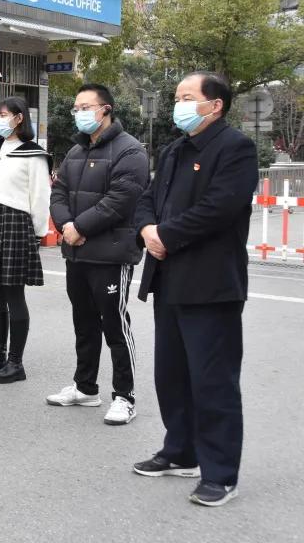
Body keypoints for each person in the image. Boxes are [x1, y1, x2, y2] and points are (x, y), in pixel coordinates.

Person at [131, 71, 257, 507]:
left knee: (213, 380)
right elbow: (147, 197)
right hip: (167, 279)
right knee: (171, 374)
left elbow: (219, 208)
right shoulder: (173, 149)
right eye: (177, 97)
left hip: (210, 284)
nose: (178, 104)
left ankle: (220, 472)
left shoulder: (235, 148)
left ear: (214, 104)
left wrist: (166, 235)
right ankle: (179, 450)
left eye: (187, 97)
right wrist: (148, 228)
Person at [48, 83, 149, 425]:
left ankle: (125, 395)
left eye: (85, 107)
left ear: (106, 109)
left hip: (111, 254)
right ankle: (85, 387)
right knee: (83, 323)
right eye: (76, 107)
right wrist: (65, 225)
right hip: (77, 253)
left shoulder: (130, 151)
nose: (78, 113)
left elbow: (121, 200)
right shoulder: (76, 151)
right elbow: (58, 191)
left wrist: (79, 228)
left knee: (115, 325)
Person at [0, 96, 51, 384]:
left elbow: (41, 196)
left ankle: (16, 362)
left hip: (17, 222)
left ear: (19, 118)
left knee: (14, 294)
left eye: (5, 114)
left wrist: (39, 233)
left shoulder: (33, 154)